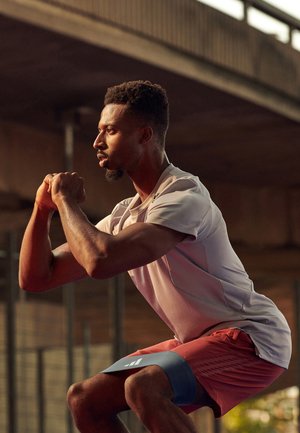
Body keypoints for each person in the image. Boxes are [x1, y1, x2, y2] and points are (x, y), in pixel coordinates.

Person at [19, 80, 291, 433]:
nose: (97, 142)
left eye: (111, 131)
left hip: (252, 337)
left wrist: (67, 201)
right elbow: (37, 277)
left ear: (145, 135)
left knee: (143, 386)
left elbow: (101, 261)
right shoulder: (124, 215)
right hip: (197, 339)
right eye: (99, 131)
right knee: (85, 399)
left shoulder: (184, 198)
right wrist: (43, 211)